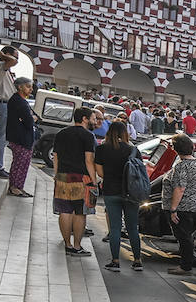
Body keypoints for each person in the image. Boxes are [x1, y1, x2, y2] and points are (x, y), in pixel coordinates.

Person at [94, 120, 142, 271]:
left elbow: (100, 173)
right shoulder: (133, 150)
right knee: (132, 228)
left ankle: (115, 261)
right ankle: (137, 261)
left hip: (110, 191)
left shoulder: (102, 149)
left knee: (115, 228)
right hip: (130, 192)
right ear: (125, 133)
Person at [53, 106, 99, 257]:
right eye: (93, 119)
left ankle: (67, 244)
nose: (95, 121)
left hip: (62, 176)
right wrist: (94, 179)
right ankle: (77, 246)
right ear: (84, 119)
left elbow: (56, 156)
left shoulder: (61, 133)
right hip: (81, 178)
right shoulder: (88, 136)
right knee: (80, 213)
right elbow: (88, 160)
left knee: (65, 211)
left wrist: (56, 174)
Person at [164, 133, 196, 275]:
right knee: (186, 237)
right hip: (195, 206)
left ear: (176, 149)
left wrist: (173, 209)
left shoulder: (182, 166)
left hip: (184, 207)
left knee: (184, 238)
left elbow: (180, 188)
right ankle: (185, 264)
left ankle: (185, 266)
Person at [0, 46, 19, 179]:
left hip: (6, 105)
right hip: (2, 104)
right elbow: (13, 61)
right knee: (1, 137)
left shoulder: (3, 67)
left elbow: (12, 61)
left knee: (3, 137)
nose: (16, 59)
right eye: (15, 56)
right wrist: (1, 55)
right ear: (6, 55)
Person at [4, 77, 35, 198]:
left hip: (23, 137)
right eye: (28, 86)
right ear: (20, 87)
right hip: (20, 138)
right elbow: (28, 121)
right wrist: (32, 119)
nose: (31, 89)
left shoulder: (20, 100)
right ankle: (15, 187)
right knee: (20, 163)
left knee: (24, 163)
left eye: (31, 86)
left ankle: (19, 186)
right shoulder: (19, 101)